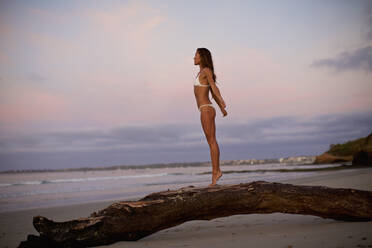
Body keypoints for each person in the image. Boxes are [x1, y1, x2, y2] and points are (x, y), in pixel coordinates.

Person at [193, 48, 227, 187]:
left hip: (206, 109)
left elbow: (214, 88)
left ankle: (216, 172)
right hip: (206, 109)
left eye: (196, 55)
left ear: (202, 57)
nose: (193, 57)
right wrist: (221, 108)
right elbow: (211, 92)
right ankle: (215, 174)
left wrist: (221, 100)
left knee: (212, 141)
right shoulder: (201, 72)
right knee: (211, 141)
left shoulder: (206, 70)